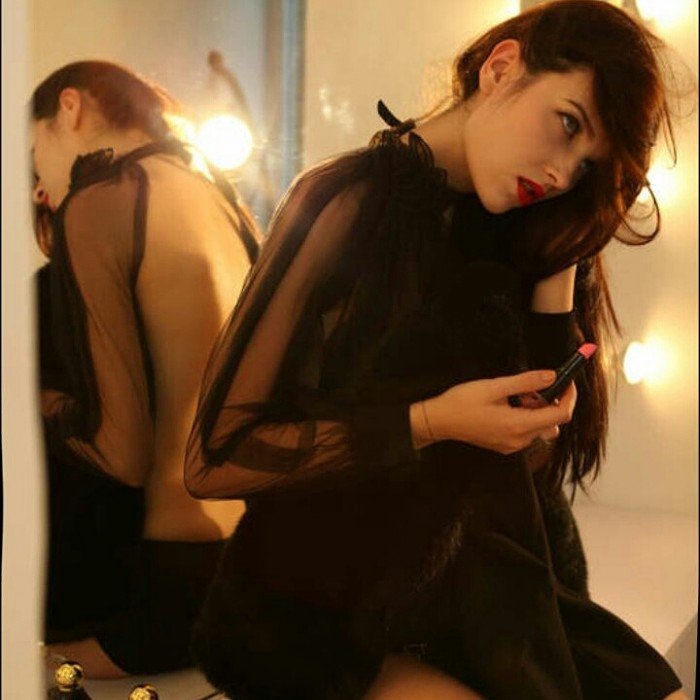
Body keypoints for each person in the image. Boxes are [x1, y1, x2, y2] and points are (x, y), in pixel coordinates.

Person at [184, 2, 688, 699]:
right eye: (569, 124)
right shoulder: (343, 202)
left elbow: (534, 467)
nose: (562, 171)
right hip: (316, 603)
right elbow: (216, 458)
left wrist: (561, 257)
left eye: (586, 167)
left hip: (480, 588)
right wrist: (432, 421)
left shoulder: (526, 225)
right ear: (502, 66)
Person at [30, 60, 259, 678]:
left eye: (35, 151)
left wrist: (33, 402)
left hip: (160, 589)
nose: (40, 181)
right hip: (247, 564)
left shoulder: (105, 199)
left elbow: (121, 453)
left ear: (69, 108)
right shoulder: (221, 199)